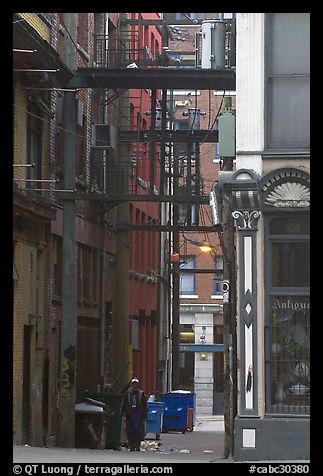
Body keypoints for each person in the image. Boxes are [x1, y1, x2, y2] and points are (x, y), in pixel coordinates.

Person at [121, 377, 148, 451]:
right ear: (131, 385)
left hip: (138, 414)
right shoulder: (127, 393)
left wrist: (145, 416)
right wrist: (122, 414)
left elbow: (144, 405)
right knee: (130, 430)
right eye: (133, 384)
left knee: (137, 430)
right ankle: (131, 445)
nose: (134, 386)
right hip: (129, 414)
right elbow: (124, 404)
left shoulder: (141, 394)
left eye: (136, 384)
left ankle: (137, 445)